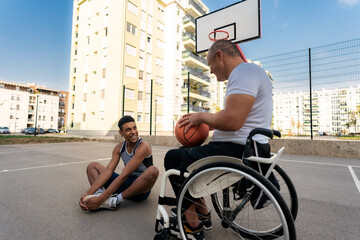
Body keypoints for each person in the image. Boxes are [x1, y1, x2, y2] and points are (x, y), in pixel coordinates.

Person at [164, 40, 273, 240]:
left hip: (234, 150)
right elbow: (237, 117)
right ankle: (203, 214)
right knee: (185, 156)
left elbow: (233, 120)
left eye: (210, 64)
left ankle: (192, 225)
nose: (211, 71)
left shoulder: (243, 73)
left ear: (219, 55)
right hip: (247, 147)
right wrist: (208, 124)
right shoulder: (250, 73)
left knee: (173, 159)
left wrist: (202, 117)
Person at [79, 115, 159, 211]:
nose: (133, 132)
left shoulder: (143, 147)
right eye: (128, 130)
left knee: (153, 171)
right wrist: (87, 194)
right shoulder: (119, 148)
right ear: (121, 132)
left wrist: (101, 199)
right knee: (92, 166)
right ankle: (100, 197)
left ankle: (115, 200)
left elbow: (125, 174)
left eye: (135, 128)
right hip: (125, 182)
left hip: (140, 189)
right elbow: (109, 170)